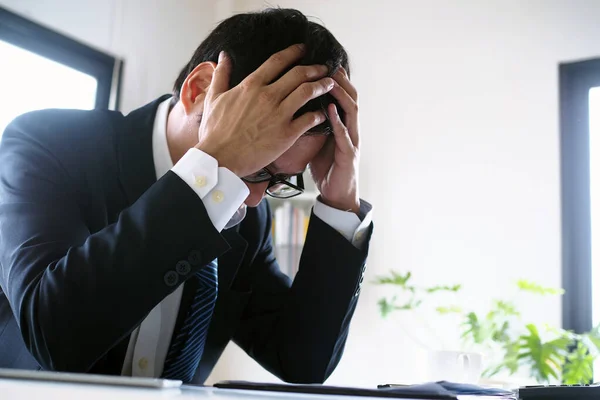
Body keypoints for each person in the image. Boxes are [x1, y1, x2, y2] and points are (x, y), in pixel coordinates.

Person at [0, 8, 373, 384]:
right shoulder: (46, 144)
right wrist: (212, 163)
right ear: (199, 91)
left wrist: (340, 203)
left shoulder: (249, 215)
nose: (255, 199)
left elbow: (301, 362)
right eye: (258, 167)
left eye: (279, 180)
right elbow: (51, 331)